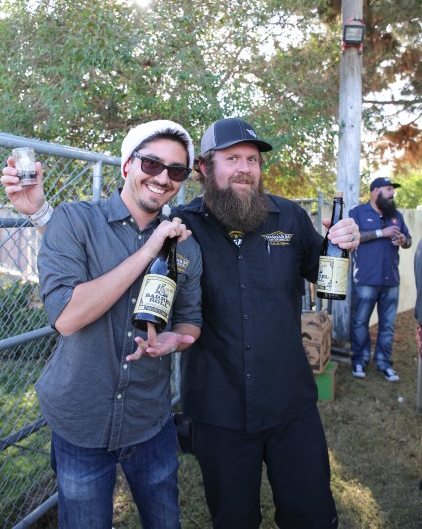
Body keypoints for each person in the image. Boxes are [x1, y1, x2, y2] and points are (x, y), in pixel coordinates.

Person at [2, 117, 360, 529]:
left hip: (289, 401)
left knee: (313, 516)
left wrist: (345, 244)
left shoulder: (290, 218)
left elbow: (326, 274)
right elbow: (96, 243)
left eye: (253, 160)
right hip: (217, 408)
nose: (245, 168)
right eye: (232, 159)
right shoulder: (180, 228)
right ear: (205, 168)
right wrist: (41, 213)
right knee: (234, 519)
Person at [2, 120, 203, 529]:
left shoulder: (187, 246)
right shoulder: (75, 221)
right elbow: (66, 317)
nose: (163, 177)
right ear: (128, 165)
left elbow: (190, 320)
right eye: (152, 163)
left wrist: (176, 341)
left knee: (165, 521)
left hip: (150, 417)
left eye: (176, 170)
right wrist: (150, 249)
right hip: (81, 417)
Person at [349, 177, 412, 382]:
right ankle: (360, 360)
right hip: (366, 279)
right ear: (375, 191)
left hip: (391, 280)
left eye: (392, 190)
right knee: (360, 323)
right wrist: (381, 232)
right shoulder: (357, 213)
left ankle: (384, 363)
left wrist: (403, 240)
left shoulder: (396, 215)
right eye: (388, 189)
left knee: (388, 326)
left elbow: (409, 240)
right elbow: (353, 238)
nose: (392, 193)